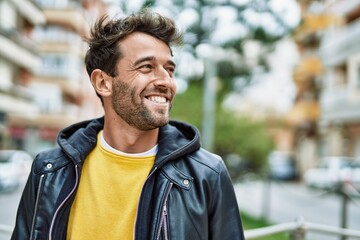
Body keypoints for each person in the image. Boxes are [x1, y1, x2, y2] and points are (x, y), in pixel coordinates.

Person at [11, 10, 245, 240]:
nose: (166, 81)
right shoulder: (48, 170)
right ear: (103, 82)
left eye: (170, 69)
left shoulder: (208, 174)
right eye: (146, 67)